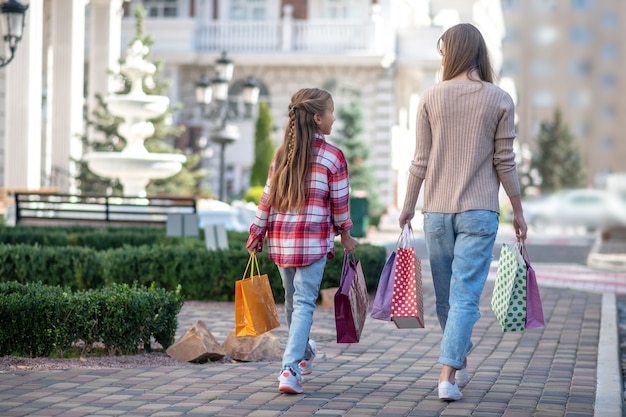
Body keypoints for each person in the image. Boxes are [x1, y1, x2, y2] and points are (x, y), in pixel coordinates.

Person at [398, 23, 528, 402]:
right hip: (480, 211)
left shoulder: (430, 97)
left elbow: (419, 161)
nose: (441, 58)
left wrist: (408, 208)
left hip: (435, 213)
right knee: (462, 298)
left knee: (449, 298)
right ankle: (453, 369)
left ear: (452, 52)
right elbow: (506, 161)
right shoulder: (500, 98)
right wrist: (518, 211)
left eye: (442, 51)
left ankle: (448, 371)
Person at [247, 87, 358, 394]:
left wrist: (257, 233)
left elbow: (266, 199)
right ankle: (290, 368)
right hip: (312, 244)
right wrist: (346, 235)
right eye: (331, 112)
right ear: (318, 118)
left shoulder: (283, 154)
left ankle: (304, 354)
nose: (334, 118)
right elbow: (339, 204)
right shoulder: (333, 156)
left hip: (281, 241)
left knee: (294, 301)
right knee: (303, 302)